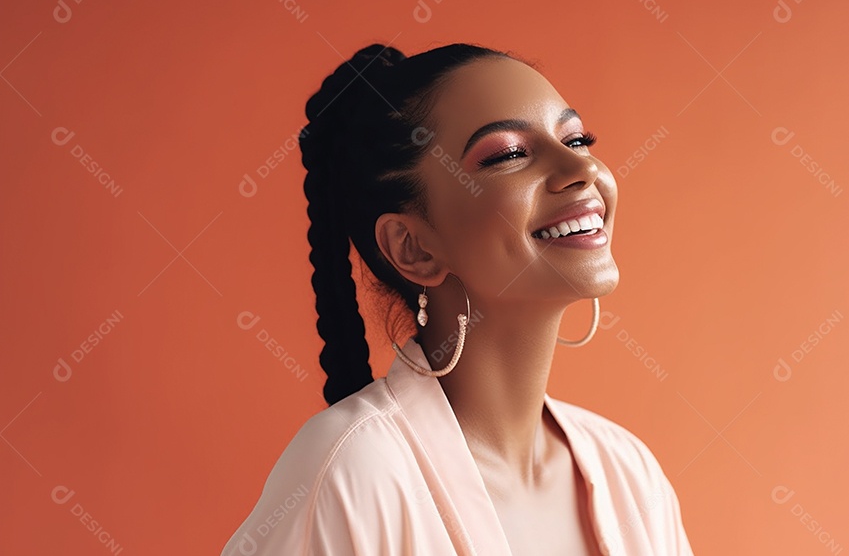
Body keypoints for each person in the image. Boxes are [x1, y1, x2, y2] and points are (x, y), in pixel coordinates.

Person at [220, 42, 693, 555]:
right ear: (414, 247)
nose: (581, 170)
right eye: (509, 154)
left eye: (577, 140)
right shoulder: (352, 469)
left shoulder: (630, 473)